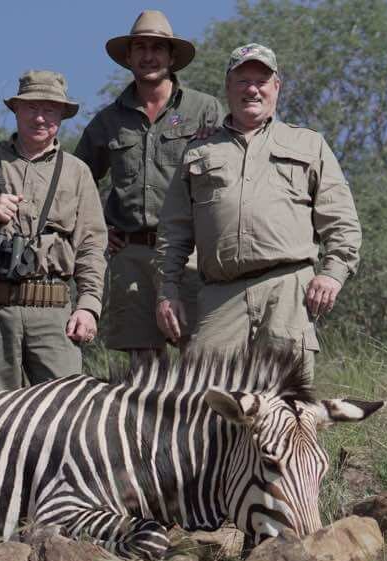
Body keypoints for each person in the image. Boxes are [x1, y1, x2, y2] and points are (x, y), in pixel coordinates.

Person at [155, 43, 361, 380]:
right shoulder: (198, 151)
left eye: (261, 81)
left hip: (288, 290)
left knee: (286, 407)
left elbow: (341, 220)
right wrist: (168, 292)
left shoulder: (309, 144)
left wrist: (332, 273)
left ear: (276, 87)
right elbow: (173, 231)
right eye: (242, 81)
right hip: (219, 294)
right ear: (227, 87)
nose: (252, 89)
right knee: (205, 401)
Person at [0, 70, 107, 389]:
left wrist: (88, 307)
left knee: (64, 417)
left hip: (54, 314)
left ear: (62, 115)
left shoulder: (77, 172)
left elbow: (92, 247)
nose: (40, 118)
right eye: (32, 108)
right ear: (16, 110)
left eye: (50, 109)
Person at [75, 10, 224, 361]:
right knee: (143, 371)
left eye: (158, 47)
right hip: (132, 254)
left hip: (192, 253)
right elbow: (75, 181)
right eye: (140, 47)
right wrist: (98, 229)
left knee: (201, 357)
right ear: (128, 57)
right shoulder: (108, 120)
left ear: (172, 57)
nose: (148, 55)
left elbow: (234, 173)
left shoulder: (205, 110)